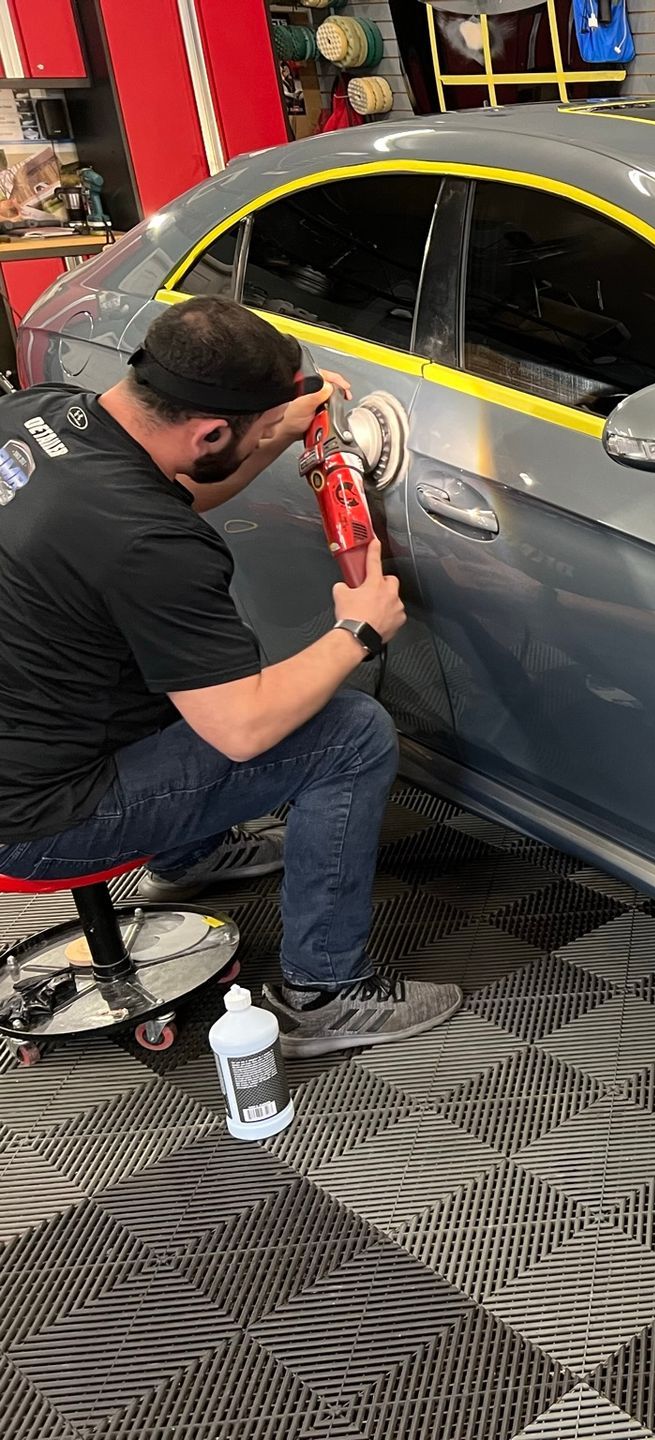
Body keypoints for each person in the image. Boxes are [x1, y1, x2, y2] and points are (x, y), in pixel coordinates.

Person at [0, 296, 460, 1056]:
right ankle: (327, 993)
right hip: (39, 821)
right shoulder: (150, 544)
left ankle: (188, 855)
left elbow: (174, 489)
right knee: (350, 733)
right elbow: (239, 727)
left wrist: (272, 433)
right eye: (242, 433)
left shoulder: (45, 413)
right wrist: (358, 632)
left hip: (34, 732)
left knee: (171, 653)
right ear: (210, 429)